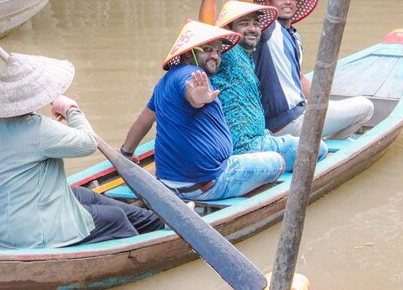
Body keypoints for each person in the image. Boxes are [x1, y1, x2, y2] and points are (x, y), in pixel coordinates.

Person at [0, 10, 164, 249]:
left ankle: (154, 221)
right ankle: (141, 248)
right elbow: (87, 142)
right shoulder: (38, 130)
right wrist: (71, 109)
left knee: (83, 195)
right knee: (114, 219)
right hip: (35, 233)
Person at [120, 20, 285, 201]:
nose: (215, 56)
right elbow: (191, 93)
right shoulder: (191, 75)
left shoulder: (164, 82)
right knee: (278, 161)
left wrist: (126, 152)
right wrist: (197, 98)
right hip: (209, 182)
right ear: (189, 55)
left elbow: (145, 119)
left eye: (218, 51)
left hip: (172, 183)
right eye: (207, 50)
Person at [195, 0, 327, 171]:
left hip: (262, 137)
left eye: (256, 24)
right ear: (229, 30)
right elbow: (208, 28)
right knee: (317, 149)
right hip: (244, 146)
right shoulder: (226, 52)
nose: (253, 29)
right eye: (243, 25)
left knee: (317, 148)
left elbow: (247, 14)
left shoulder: (250, 56)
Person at [251, 0, 374, 138]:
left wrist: (327, 104)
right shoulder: (268, 30)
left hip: (300, 112)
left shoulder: (294, 36)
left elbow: (300, 79)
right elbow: (248, 10)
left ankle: (318, 144)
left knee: (336, 108)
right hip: (287, 123)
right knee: (366, 107)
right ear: (268, 2)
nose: (287, 2)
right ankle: (323, 148)